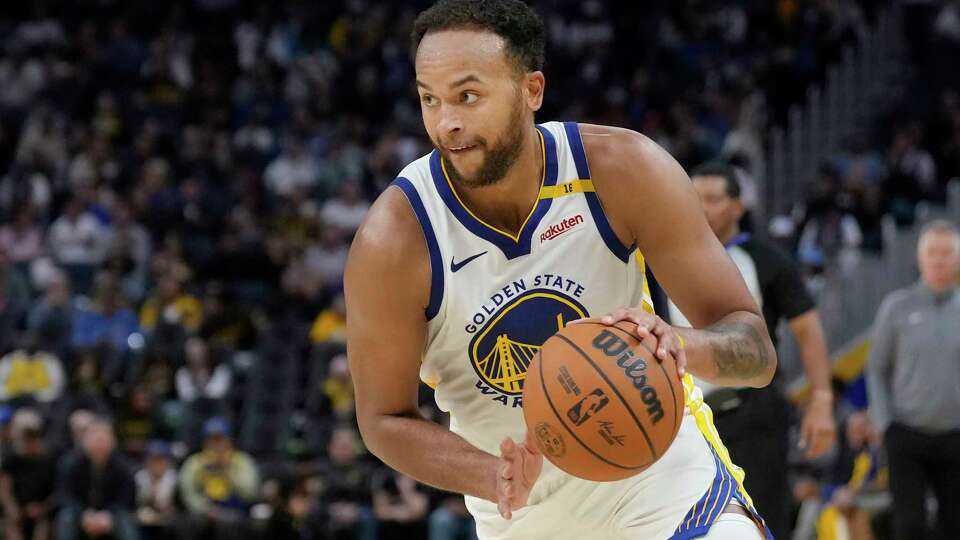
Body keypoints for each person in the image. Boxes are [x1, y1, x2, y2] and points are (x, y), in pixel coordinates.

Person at [344, 1, 778, 539]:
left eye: (468, 95)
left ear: (532, 91)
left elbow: (755, 350)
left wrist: (681, 346)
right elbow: (382, 419)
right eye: (429, 99)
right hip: (522, 516)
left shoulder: (623, 171)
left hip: (664, 484)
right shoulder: (396, 239)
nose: (446, 122)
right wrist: (491, 474)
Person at [666, 161, 837, 537]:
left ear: (738, 208)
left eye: (713, 199)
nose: (703, 207)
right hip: (687, 416)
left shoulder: (766, 259)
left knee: (764, 522)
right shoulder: (662, 257)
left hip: (754, 413)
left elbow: (808, 329)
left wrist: (822, 400)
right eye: (695, 198)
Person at [866, 219, 960, 540]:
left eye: (946, 252)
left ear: (957, 258)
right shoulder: (896, 307)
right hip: (905, 433)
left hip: (955, 434)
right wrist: (884, 422)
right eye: (932, 252)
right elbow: (876, 368)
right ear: (920, 258)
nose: (939, 259)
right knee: (908, 525)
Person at [55, 419, 140, 540]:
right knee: (66, 516)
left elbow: (126, 498)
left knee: (125, 519)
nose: (99, 444)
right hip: (80, 513)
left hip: (110, 515)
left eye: (104, 439)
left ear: (113, 441)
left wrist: (108, 515)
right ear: (85, 441)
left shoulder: (123, 466)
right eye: (95, 439)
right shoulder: (70, 463)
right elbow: (64, 495)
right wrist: (83, 514)